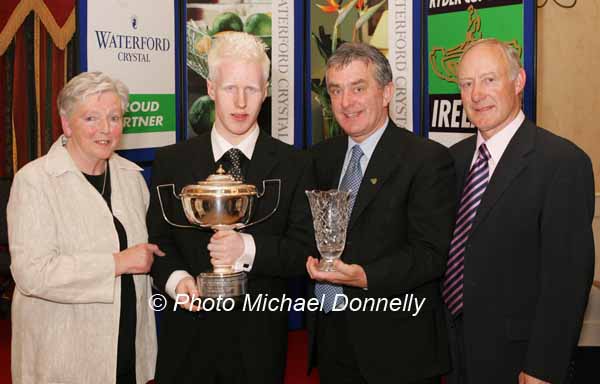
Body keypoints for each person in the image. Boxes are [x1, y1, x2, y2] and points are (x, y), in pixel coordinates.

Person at [147, 32, 314, 384]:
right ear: (210, 89)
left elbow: (303, 251)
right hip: (187, 339)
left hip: (259, 342)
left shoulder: (294, 164)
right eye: (229, 89)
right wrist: (178, 282)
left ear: (265, 91)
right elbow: (159, 242)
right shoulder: (171, 162)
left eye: (251, 90)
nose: (240, 102)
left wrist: (247, 248)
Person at [443, 38, 595, 384]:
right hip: (454, 353)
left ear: (519, 81)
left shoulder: (562, 163)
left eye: (489, 80)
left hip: (519, 360)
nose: (476, 94)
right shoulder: (453, 161)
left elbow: (567, 280)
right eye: (467, 84)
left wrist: (543, 367)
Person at [306, 42, 456, 384]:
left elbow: (431, 255)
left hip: (398, 350)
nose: (346, 102)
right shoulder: (319, 158)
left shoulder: (426, 160)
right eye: (336, 91)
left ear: (387, 92)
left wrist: (363, 276)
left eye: (358, 88)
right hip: (331, 336)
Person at [7, 71, 163, 384]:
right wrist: (117, 263)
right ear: (66, 124)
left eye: (115, 117)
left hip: (125, 347)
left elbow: (150, 252)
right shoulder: (35, 181)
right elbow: (32, 273)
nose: (105, 129)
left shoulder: (132, 178)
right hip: (64, 354)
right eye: (91, 118)